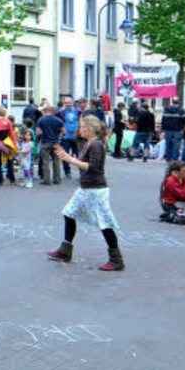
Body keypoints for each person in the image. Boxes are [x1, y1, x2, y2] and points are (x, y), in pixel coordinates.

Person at [50, 115, 125, 271]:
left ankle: (116, 259)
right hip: (86, 188)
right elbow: (84, 164)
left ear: (90, 129)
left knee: (104, 223)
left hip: (96, 190)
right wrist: (68, 157)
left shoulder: (96, 144)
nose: (80, 129)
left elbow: (93, 167)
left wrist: (70, 159)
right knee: (69, 213)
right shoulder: (89, 143)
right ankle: (65, 250)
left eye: (82, 126)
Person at [35, 105, 64, 186]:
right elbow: (64, 132)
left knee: (45, 162)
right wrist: (59, 137)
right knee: (56, 162)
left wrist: (38, 139)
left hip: (45, 143)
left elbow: (38, 132)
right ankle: (57, 179)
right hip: (55, 143)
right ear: (53, 111)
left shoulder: (41, 120)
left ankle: (47, 180)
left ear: (45, 111)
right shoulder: (59, 120)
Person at [159, 161, 185, 225]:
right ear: (175, 172)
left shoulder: (182, 179)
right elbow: (182, 195)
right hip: (170, 204)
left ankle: (176, 214)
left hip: (180, 203)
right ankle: (171, 215)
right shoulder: (170, 181)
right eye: (184, 171)